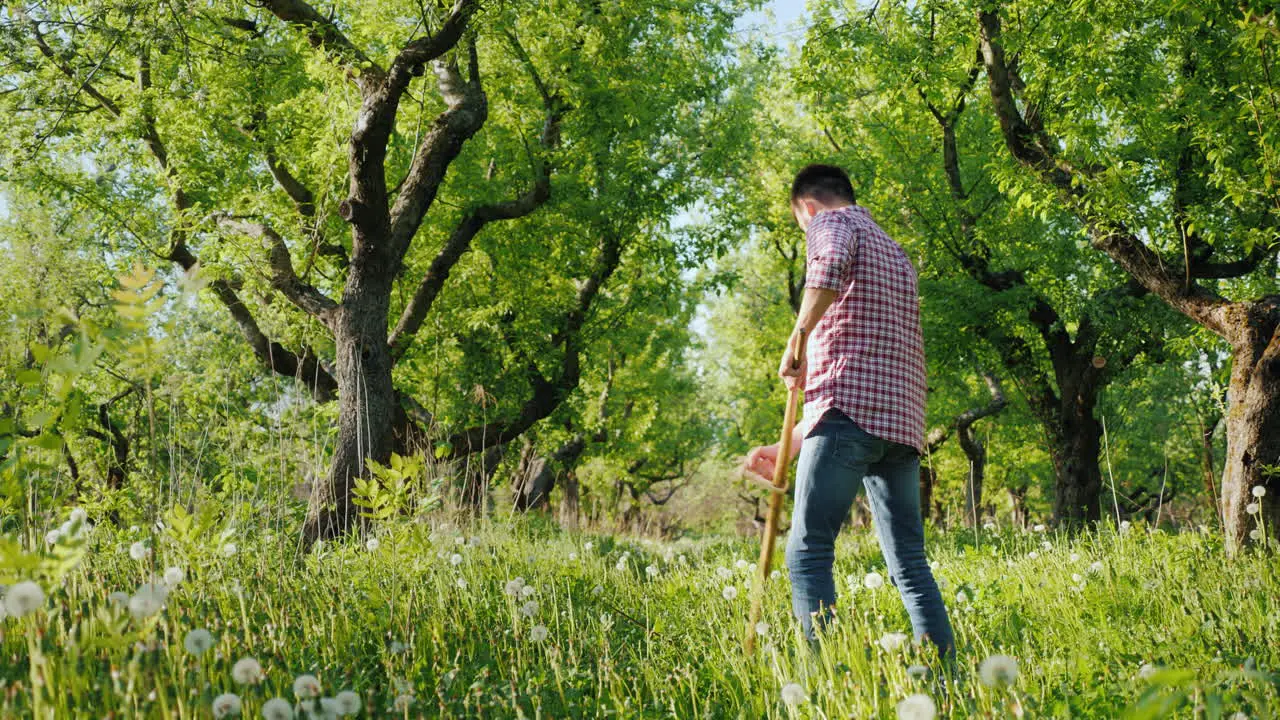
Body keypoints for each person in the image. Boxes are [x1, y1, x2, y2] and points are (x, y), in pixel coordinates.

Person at [743, 164, 955, 661]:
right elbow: (856, 375)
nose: (809, 233)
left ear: (809, 207)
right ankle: (947, 679)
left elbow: (827, 266)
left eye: (803, 224)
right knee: (909, 564)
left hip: (847, 420)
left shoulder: (833, 224)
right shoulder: (895, 252)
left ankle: (827, 678)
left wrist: (797, 338)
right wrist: (785, 447)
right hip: (900, 428)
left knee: (808, 551)